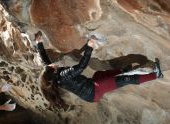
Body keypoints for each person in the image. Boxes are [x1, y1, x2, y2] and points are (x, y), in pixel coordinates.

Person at [35, 31, 163, 104]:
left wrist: (38, 43)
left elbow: (45, 62)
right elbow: (81, 67)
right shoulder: (62, 76)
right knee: (123, 79)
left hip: (91, 83)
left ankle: (127, 70)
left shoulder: (51, 74)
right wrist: (90, 46)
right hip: (94, 92)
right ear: (54, 72)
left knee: (105, 74)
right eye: (52, 66)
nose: (52, 64)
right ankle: (155, 74)